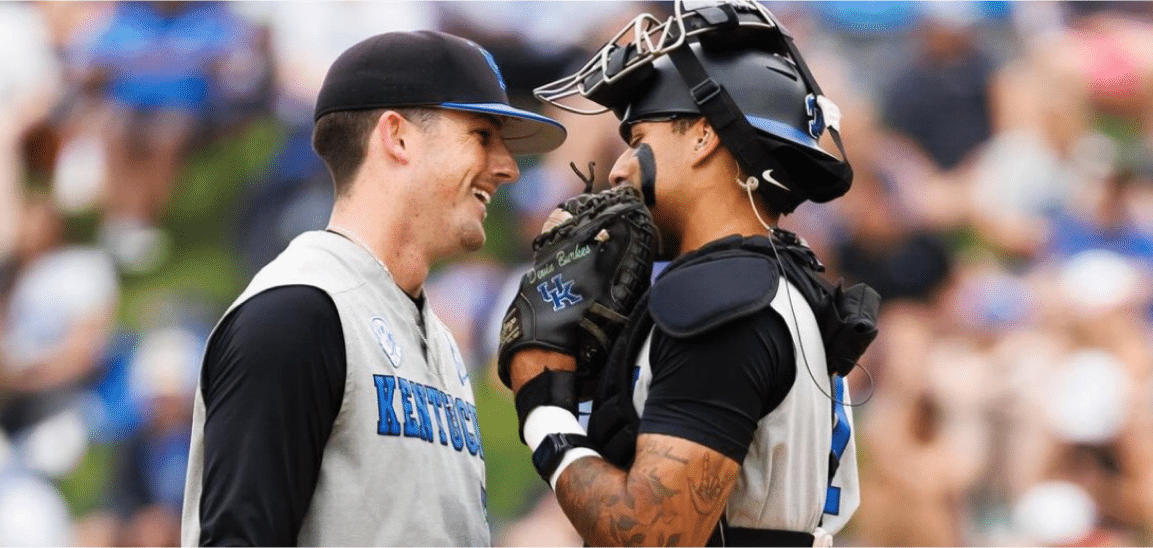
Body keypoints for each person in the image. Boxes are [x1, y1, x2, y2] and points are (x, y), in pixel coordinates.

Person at [500, 1, 878, 546]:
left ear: (703, 135)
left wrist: (544, 411)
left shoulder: (719, 297)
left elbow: (657, 535)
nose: (618, 168)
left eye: (640, 141)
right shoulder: (779, 276)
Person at [180, 30, 565, 546]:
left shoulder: (442, 340)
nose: (508, 168)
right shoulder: (298, 314)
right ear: (397, 136)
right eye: (482, 136)